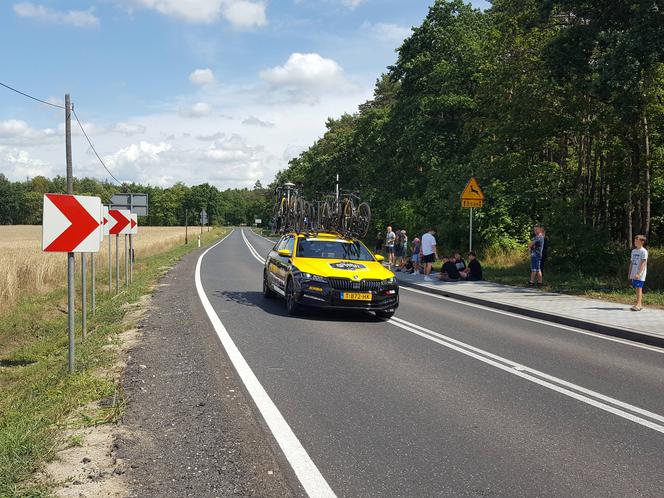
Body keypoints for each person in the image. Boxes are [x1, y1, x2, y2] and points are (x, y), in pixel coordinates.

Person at [628, 235, 648, 311]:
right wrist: (630, 273)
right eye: (635, 241)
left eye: (637, 241)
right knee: (636, 288)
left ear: (642, 242)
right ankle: (638, 304)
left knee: (639, 288)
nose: (635, 242)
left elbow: (643, 263)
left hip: (640, 274)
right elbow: (631, 262)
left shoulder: (644, 251)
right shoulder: (633, 251)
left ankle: (639, 305)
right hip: (634, 272)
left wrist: (639, 273)